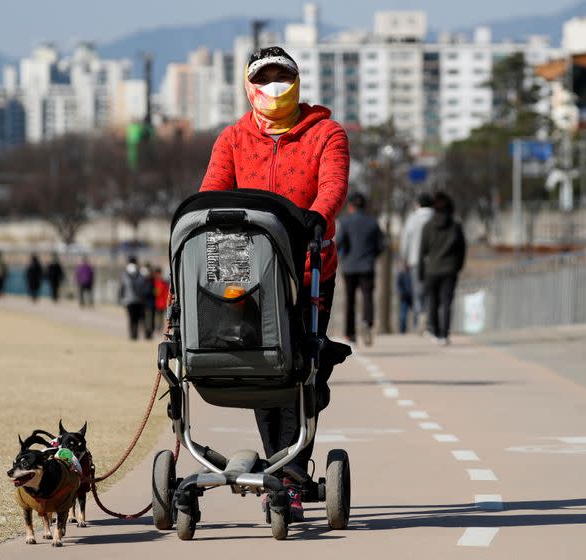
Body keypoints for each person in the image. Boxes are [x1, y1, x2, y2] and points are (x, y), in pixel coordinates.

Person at [199, 45, 349, 521]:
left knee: (300, 366)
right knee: (260, 369)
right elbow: (212, 190)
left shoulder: (326, 133)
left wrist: (316, 219)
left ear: (298, 81)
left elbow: (333, 187)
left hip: (307, 273)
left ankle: (291, 470)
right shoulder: (232, 138)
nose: (275, 86)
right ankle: (280, 469)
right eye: (265, 77)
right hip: (244, 278)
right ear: (249, 86)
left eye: (283, 76)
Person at [335, 192, 384, 346]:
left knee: (350, 300)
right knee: (367, 297)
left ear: (350, 206)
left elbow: (339, 243)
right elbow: (382, 245)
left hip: (349, 266)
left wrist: (343, 257)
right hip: (367, 265)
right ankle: (367, 323)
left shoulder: (345, 222)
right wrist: (372, 255)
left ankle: (351, 334)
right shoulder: (373, 222)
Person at [418, 192, 467, 346]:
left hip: (431, 269)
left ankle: (435, 331)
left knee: (433, 301)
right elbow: (462, 250)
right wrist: (457, 266)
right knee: (446, 302)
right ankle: (444, 335)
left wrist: (421, 271)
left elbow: (422, 251)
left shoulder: (427, 227)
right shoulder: (455, 226)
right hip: (450, 269)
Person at [400, 192, 434, 332]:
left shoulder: (412, 219)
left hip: (414, 261)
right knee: (431, 291)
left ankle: (420, 315)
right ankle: (430, 320)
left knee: (417, 291)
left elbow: (405, 240)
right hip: (433, 261)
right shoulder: (435, 218)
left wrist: (404, 259)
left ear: (418, 204)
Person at [119, 256, 149, 340]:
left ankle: (134, 335)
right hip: (138, 300)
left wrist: (121, 299)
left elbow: (122, 288)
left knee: (133, 319)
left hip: (130, 300)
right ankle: (136, 335)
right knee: (139, 318)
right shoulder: (141, 273)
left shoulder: (125, 274)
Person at [152, 267, 169, 333]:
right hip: (157, 303)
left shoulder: (163, 282)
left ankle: (160, 328)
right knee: (158, 317)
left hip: (162, 303)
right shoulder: (155, 282)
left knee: (161, 317)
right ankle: (158, 328)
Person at [397, 265, 413, 334]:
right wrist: (402, 293)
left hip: (412, 297)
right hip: (404, 297)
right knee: (403, 315)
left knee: (416, 313)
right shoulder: (401, 275)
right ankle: (402, 330)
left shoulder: (410, 274)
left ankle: (416, 329)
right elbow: (398, 286)